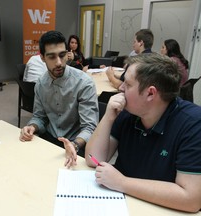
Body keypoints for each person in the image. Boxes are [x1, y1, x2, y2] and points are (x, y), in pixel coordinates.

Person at [85, 53, 201, 213]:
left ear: (151, 93)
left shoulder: (193, 123)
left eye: (128, 83)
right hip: (121, 203)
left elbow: (191, 199)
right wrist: (108, 117)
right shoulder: (129, 111)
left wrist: (122, 182)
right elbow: (94, 159)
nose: (120, 88)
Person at [19, 31, 99, 167]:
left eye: (62, 55)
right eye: (51, 57)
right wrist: (32, 126)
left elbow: (90, 127)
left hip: (77, 142)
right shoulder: (40, 84)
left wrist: (75, 144)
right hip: (49, 139)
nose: (59, 63)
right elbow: (39, 117)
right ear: (42, 57)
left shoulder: (84, 83)